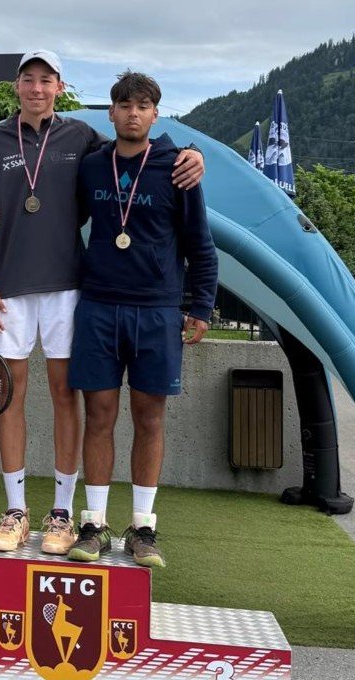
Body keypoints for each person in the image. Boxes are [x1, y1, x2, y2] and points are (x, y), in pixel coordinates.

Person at [0, 50, 205, 556]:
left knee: (66, 395)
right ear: (17, 85)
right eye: (28, 79)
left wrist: (192, 152)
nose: (37, 88)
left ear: (60, 87)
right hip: (9, 288)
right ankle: (16, 510)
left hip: (70, 286)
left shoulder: (82, 138)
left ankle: (62, 513)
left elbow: (137, 153)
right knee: (10, 395)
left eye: (46, 79)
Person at [67, 72, 218, 568]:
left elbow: (200, 243)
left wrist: (201, 306)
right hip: (99, 306)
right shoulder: (92, 166)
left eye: (143, 105)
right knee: (99, 416)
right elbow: (61, 220)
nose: (133, 113)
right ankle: (93, 524)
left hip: (156, 310)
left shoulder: (178, 168)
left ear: (156, 114)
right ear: (111, 112)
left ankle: (143, 527)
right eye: (125, 104)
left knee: (150, 418)